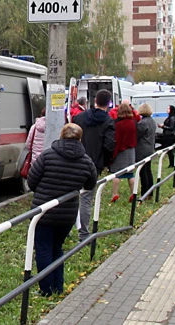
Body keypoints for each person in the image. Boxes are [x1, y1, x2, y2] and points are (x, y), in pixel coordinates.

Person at [27, 123, 98, 296]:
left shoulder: (47, 155)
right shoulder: (86, 161)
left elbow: (31, 181)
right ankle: (58, 287)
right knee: (57, 248)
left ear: (61, 135)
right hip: (67, 213)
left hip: (43, 211)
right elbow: (90, 183)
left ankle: (45, 290)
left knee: (43, 249)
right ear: (80, 138)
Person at [72, 89, 115, 242]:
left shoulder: (79, 117)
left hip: (75, 160)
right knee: (86, 198)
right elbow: (109, 145)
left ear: (95, 100)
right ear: (109, 103)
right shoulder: (109, 122)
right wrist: (104, 162)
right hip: (94, 165)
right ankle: (83, 233)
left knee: (70, 196)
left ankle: (66, 228)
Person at [109, 103, 137, 203]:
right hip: (131, 151)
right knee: (130, 174)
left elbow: (117, 139)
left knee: (117, 174)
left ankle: (115, 194)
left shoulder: (117, 124)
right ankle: (133, 193)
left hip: (121, 151)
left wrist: (113, 155)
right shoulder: (133, 122)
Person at [135, 103, 156, 197]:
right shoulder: (152, 121)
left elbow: (137, 136)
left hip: (142, 149)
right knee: (148, 170)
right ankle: (150, 191)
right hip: (150, 148)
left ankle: (144, 192)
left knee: (143, 172)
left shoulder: (142, 123)